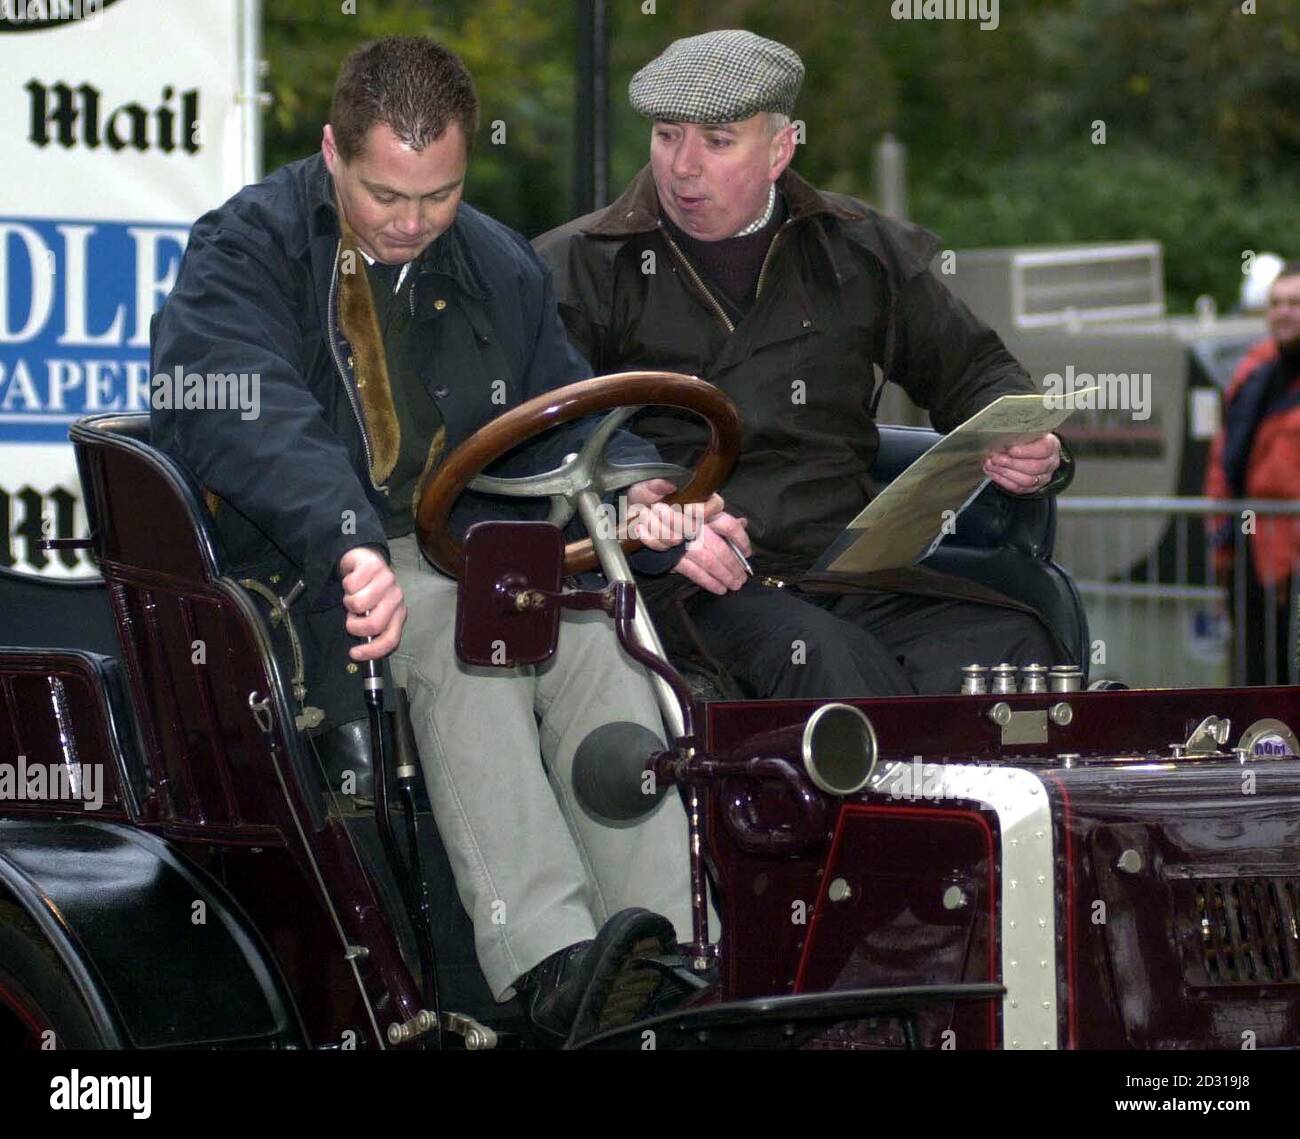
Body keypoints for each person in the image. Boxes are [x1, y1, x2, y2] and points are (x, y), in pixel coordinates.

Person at [150, 36, 707, 1047]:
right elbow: (248, 414)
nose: (412, 223)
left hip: (470, 549)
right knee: (470, 632)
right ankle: (546, 959)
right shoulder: (245, 249)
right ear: (331, 150)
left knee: (593, 638)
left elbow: (564, 410)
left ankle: (662, 952)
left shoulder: (494, 260)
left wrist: (643, 492)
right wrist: (349, 541)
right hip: (307, 566)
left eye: (439, 196)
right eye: (385, 196)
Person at [535, 29, 1074, 700]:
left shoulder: (856, 251)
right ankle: (908, 807)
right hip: (684, 579)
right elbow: (545, 435)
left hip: (843, 570)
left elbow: (974, 369)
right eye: (668, 135)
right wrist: (636, 505)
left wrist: (1028, 441)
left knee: (1018, 646)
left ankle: (990, 809)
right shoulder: (581, 267)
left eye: (718, 140)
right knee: (827, 661)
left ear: (780, 150)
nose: (683, 167)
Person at [1205, 261, 1300, 685]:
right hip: (1254, 548)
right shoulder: (1258, 378)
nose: (1283, 311)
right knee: (1256, 679)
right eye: (1276, 302)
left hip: (1287, 551)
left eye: (1295, 303)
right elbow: (1227, 466)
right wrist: (1222, 546)